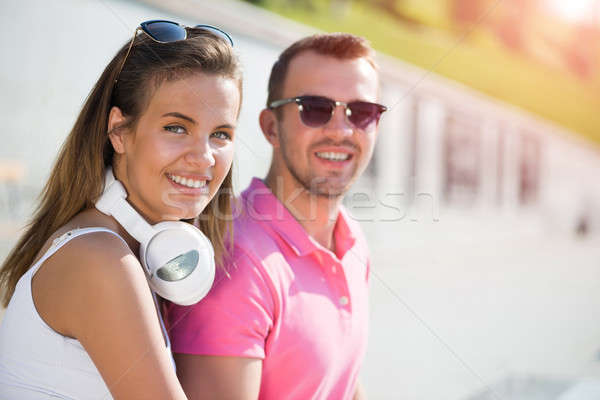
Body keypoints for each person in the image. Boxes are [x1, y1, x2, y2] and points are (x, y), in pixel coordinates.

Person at [0, 20, 242, 399]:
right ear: (119, 131)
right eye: (177, 128)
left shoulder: (120, 246)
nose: (204, 157)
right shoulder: (100, 260)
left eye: (221, 134)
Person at [166, 33, 387, 399]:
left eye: (362, 113)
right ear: (271, 127)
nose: (340, 130)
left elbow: (340, 384)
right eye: (314, 109)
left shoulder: (351, 239)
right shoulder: (234, 263)